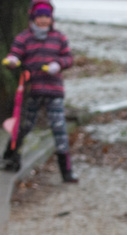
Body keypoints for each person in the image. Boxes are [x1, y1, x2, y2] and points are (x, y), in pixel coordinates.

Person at [2, 0, 77, 183]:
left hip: (54, 90)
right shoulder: (24, 38)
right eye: (40, 17)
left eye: (47, 17)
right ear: (33, 19)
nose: (43, 20)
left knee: (59, 127)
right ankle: (11, 157)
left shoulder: (59, 38)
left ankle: (66, 171)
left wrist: (58, 64)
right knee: (24, 125)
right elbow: (15, 54)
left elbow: (68, 58)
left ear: (51, 19)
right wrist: (12, 60)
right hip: (31, 89)